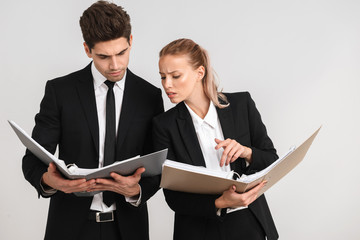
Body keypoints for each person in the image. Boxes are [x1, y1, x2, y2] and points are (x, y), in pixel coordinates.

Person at [22, 1, 164, 240]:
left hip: (128, 229)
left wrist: (137, 190)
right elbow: (33, 160)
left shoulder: (149, 96)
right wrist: (52, 182)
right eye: (103, 56)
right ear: (87, 49)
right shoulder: (60, 91)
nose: (115, 65)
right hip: (69, 228)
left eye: (121, 52)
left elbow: (158, 166)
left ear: (131, 41)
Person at [152, 38, 279, 240]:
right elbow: (173, 197)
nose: (167, 84)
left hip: (249, 224)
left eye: (175, 76)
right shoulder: (164, 125)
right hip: (198, 229)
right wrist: (220, 202)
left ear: (199, 73)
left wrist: (246, 152)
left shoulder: (241, 105)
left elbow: (272, 160)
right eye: (162, 77)